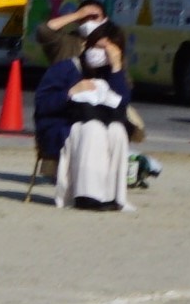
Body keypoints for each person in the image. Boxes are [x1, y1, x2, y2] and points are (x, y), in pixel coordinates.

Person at [46, 23, 133, 209]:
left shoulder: (115, 73)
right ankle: (87, 196)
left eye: (106, 50)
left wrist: (116, 67)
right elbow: (45, 102)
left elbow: (122, 102)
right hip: (67, 124)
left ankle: (112, 196)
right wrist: (70, 92)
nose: (98, 53)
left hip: (104, 121)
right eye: (96, 47)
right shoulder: (69, 68)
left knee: (116, 131)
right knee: (93, 129)